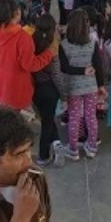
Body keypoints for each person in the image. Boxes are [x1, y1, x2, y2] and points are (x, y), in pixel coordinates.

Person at [0, 0, 55, 110]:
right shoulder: (22, 37)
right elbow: (30, 65)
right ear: (17, 13)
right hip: (18, 86)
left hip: (0, 82)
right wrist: (49, 53)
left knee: (7, 113)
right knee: (14, 118)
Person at [59, 9, 103, 161]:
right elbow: (98, 65)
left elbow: (64, 67)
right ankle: (91, 147)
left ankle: (73, 150)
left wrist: (80, 70)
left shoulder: (63, 45)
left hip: (73, 87)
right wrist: (101, 84)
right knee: (91, 116)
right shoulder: (93, 43)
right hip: (91, 86)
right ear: (87, 25)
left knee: (74, 117)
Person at [27, 14, 66, 167]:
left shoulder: (29, 42)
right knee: (47, 122)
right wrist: (64, 94)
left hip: (35, 88)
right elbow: (56, 74)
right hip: (50, 89)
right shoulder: (53, 47)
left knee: (46, 118)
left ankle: (56, 144)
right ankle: (44, 155)